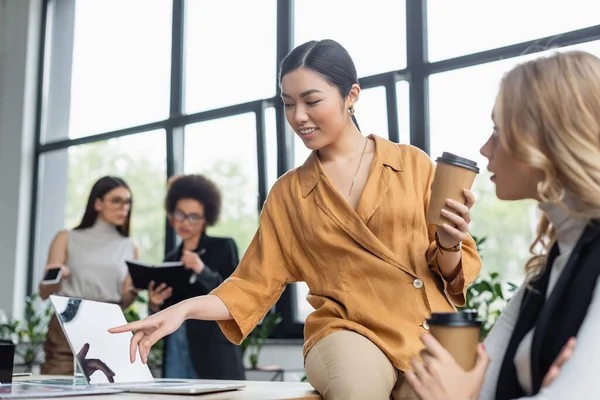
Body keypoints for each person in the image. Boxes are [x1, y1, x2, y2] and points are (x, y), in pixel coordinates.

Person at [110, 39, 482, 399]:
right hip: (346, 331)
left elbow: (450, 274)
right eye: (288, 104)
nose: (298, 116)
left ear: (351, 96)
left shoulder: (412, 164)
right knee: (357, 390)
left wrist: (450, 243)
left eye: (311, 101)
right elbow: (251, 285)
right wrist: (184, 309)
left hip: (423, 326)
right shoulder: (289, 194)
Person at [405, 50, 600, 399]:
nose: (484, 148)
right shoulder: (547, 271)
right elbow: (479, 381)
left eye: (498, 130)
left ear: (549, 137)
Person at [147, 173, 245, 380]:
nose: (186, 222)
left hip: (212, 349)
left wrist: (202, 270)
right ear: (172, 217)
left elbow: (234, 297)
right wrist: (155, 304)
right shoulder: (170, 259)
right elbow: (167, 311)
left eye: (194, 216)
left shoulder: (223, 247)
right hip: (176, 344)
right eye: (180, 214)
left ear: (206, 219)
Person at [40, 176, 139, 375]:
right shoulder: (66, 237)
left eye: (128, 202)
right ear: (98, 203)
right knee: (57, 387)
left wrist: (135, 291)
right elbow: (43, 292)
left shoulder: (130, 246)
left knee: (106, 387)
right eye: (116, 200)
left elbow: (125, 300)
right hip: (68, 321)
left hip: (109, 325)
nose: (124, 207)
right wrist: (57, 276)